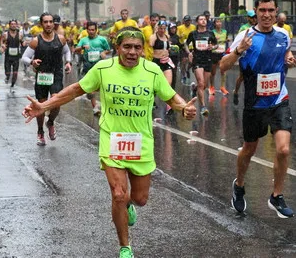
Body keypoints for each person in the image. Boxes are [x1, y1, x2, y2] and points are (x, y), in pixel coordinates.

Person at [22, 26, 197, 258]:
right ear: (117, 48)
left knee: (140, 199)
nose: (132, 52)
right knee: (118, 194)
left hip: (141, 141)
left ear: (142, 49)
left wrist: (185, 107)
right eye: (127, 47)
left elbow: (171, 97)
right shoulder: (103, 69)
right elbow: (75, 89)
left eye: (136, 47)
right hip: (112, 139)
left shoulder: (152, 71)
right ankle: (125, 246)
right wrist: (43, 106)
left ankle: (129, 205)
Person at [220, 0, 296, 218]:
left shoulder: (283, 35)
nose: (267, 14)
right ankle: (239, 185)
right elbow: (223, 66)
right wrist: (238, 50)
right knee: (249, 149)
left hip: (279, 100)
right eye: (262, 10)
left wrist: (290, 61)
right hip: (255, 104)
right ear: (256, 12)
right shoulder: (245, 36)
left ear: (276, 12)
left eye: (271, 10)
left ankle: (276, 196)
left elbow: (286, 57)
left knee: (283, 149)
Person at [21, 12, 72, 146]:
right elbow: (24, 58)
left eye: (51, 22)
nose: (49, 24)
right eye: (46, 22)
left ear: (53, 23)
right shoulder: (36, 41)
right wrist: (32, 62)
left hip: (56, 74)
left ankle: (50, 122)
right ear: (41, 24)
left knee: (56, 102)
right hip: (42, 75)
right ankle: (40, 132)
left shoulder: (60, 39)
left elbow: (67, 51)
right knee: (41, 105)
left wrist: (68, 62)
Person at [75, 21, 111, 115]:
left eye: (93, 30)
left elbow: (108, 50)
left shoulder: (102, 40)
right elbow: (76, 50)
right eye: (89, 30)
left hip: (101, 67)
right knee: (90, 92)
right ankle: (95, 107)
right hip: (88, 67)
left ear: (96, 30)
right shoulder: (83, 40)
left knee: (103, 87)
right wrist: (82, 47)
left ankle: (105, 107)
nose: (91, 32)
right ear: (87, 30)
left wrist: (104, 53)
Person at [185, 14, 217, 116]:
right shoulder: (193, 34)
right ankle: (203, 107)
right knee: (201, 82)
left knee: (204, 85)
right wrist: (189, 53)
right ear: (197, 22)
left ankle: (194, 89)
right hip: (197, 60)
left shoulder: (210, 33)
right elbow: (185, 44)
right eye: (201, 19)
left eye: (204, 19)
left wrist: (212, 47)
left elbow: (216, 45)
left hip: (207, 59)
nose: (203, 21)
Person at [233, 10, 257, 105]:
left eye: (255, 17)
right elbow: (239, 41)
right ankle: (236, 92)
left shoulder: (258, 26)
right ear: (248, 18)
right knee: (242, 76)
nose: (254, 19)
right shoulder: (244, 28)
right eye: (251, 17)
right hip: (245, 55)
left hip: (255, 54)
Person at [150, 20, 174, 114]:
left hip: (166, 61)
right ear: (157, 28)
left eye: (164, 28)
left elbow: (168, 47)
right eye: (160, 28)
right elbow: (150, 44)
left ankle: (169, 105)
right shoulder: (154, 36)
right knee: (154, 85)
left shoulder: (167, 36)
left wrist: (171, 48)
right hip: (157, 62)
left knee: (168, 84)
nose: (162, 30)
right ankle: (151, 101)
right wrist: (154, 35)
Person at [1, 19, 23, 93]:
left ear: (16, 25)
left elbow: (22, 43)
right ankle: (7, 78)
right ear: (9, 25)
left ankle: (12, 86)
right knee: (8, 73)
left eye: (15, 24)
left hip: (16, 56)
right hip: (8, 56)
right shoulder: (5, 34)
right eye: (12, 24)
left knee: (15, 73)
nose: (13, 25)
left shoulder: (20, 35)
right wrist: (3, 46)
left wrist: (24, 43)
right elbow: (2, 42)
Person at [210, 18, 229, 96]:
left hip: (222, 53)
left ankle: (222, 87)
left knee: (223, 70)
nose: (219, 23)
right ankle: (211, 87)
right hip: (214, 53)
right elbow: (210, 42)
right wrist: (216, 42)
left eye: (220, 22)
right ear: (214, 24)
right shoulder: (212, 32)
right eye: (217, 22)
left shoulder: (225, 32)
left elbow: (226, 39)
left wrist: (227, 40)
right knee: (213, 72)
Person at [177, 15, 196, 84]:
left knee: (191, 62)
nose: (187, 22)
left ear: (190, 21)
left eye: (188, 21)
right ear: (183, 21)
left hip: (191, 47)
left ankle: (188, 69)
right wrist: (180, 36)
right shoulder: (180, 28)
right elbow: (177, 36)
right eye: (186, 21)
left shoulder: (193, 27)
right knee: (184, 61)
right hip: (183, 46)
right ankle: (183, 75)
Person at [168, 23, 181, 89]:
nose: (173, 30)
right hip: (168, 57)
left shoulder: (177, 37)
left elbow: (179, 46)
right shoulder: (167, 36)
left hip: (175, 57)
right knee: (168, 72)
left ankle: (173, 88)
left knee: (174, 73)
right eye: (172, 28)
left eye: (174, 28)